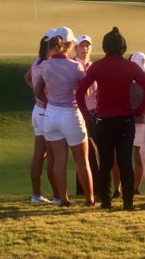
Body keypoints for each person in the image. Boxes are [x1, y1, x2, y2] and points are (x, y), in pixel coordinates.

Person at [76, 27, 145, 211]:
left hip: (103, 121)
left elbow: (80, 93)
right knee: (125, 162)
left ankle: (106, 201)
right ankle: (128, 202)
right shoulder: (131, 66)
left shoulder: (97, 66)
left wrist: (88, 117)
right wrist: (139, 111)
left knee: (105, 163)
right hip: (126, 121)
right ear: (123, 47)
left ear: (105, 47)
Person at [34, 27, 94, 207]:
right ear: (69, 45)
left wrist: (48, 102)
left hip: (51, 115)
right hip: (70, 114)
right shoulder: (76, 66)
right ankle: (90, 199)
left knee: (59, 160)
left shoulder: (45, 65)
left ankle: (63, 199)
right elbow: (87, 90)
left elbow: (38, 89)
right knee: (82, 160)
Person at [24, 31, 59, 204]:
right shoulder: (49, 65)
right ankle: (58, 196)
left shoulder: (37, 63)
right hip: (47, 110)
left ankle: (36, 195)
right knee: (52, 156)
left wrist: (36, 92)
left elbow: (27, 78)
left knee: (39, 155)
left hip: (37, 110)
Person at [74, 35, 100, 199]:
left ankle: (97, 188)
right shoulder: (73, 66)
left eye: (87, 46)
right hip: (77, 114)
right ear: (75, 48)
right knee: (83, 154)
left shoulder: (95, 67)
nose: (85, 49)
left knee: (96, 152)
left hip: (94, 113)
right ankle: (82, 190)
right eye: (81, 46)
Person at [130, 52, 145, 195]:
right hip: (129, 122)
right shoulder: (127, 79)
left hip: (140, 123)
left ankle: (135, 188)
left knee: (138, 156)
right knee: (126, 156)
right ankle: (128, 187)